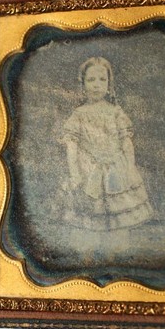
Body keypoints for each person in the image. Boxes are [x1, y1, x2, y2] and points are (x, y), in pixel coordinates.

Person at [59, 57, 153, 230]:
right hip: (88, 170)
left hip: (116, 170)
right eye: (91, 80)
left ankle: (117, 245)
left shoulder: (116, 112)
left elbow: (126, 142)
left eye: (102, 80)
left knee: (119, 221)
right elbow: (72, 146)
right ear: (83, 84)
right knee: (90, 220)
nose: (97, 85)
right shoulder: (78, 114)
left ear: (109, 84)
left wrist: (130, 169)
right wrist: (75, 174)